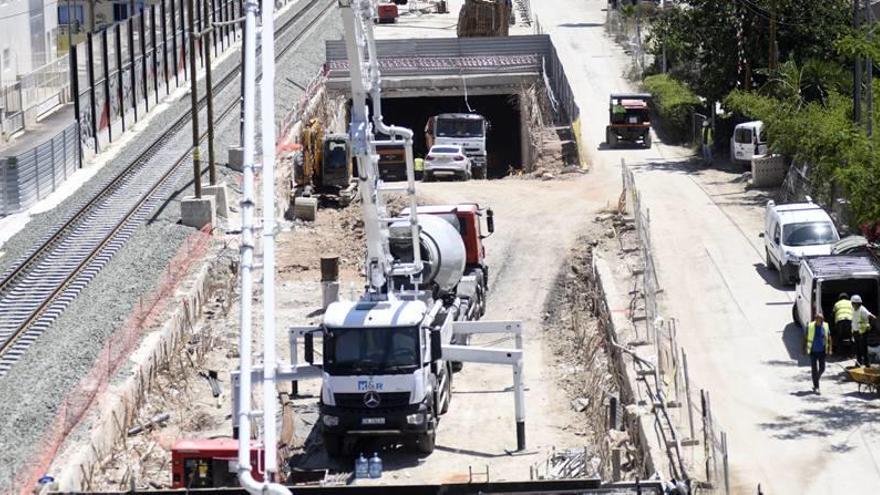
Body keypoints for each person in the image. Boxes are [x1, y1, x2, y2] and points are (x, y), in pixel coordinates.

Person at [805, 313, 832, 394]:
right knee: (814, 369)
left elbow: (829, 338)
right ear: (815, 319)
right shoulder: (810, 326)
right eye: (818, 319)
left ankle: (816, 378)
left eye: (821, 320)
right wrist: (803, 348)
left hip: (822, 351)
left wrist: (830, 349)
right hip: (813, 351)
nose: (820, 321)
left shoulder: (825, 326)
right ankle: (817, 387)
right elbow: (805, 337)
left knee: (822, 368)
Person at [851, 294, 876, 366]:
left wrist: (870, 326)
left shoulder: (863, 310)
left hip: (863, 332)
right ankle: (859, 362)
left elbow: (873, 317)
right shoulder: (852, 309)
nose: (853, 305)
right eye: (853, 303)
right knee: (857, 348)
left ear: (858, 303)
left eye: (855, 304)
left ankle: (867, 364)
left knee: (863, 348)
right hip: (856, 331)